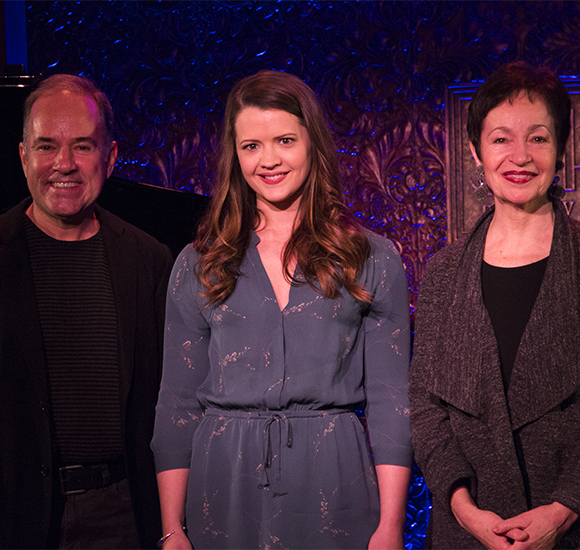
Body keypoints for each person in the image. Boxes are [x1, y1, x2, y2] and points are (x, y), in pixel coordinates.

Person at [151, 70, 413, 550]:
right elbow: (176, 405)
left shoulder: (371, 258)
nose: (268, 160)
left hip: (334, 478)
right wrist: (172, 530)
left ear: (312, 145)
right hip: (224, 482)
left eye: (285, 140)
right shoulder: (200, 262)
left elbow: (392, 404)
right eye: (251, 146)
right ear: (235, 156)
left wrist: (391, 527)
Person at [409, 62, 580, 549]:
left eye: (539, 138)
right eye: (502, 139)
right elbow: (425, 408)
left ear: (561, 149)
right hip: (467, 532)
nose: (520, 156)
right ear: (476, 153)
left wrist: (563, 510)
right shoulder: (443, 271)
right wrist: (464, 509)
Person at [0, 74, 174, 549]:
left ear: (111, 157)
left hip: (123, 514)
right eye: (46, 146)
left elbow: (171, 404)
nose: (64, 164)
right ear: (22, 156)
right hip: (15, 514)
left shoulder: (149, 260)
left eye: (82, 146)